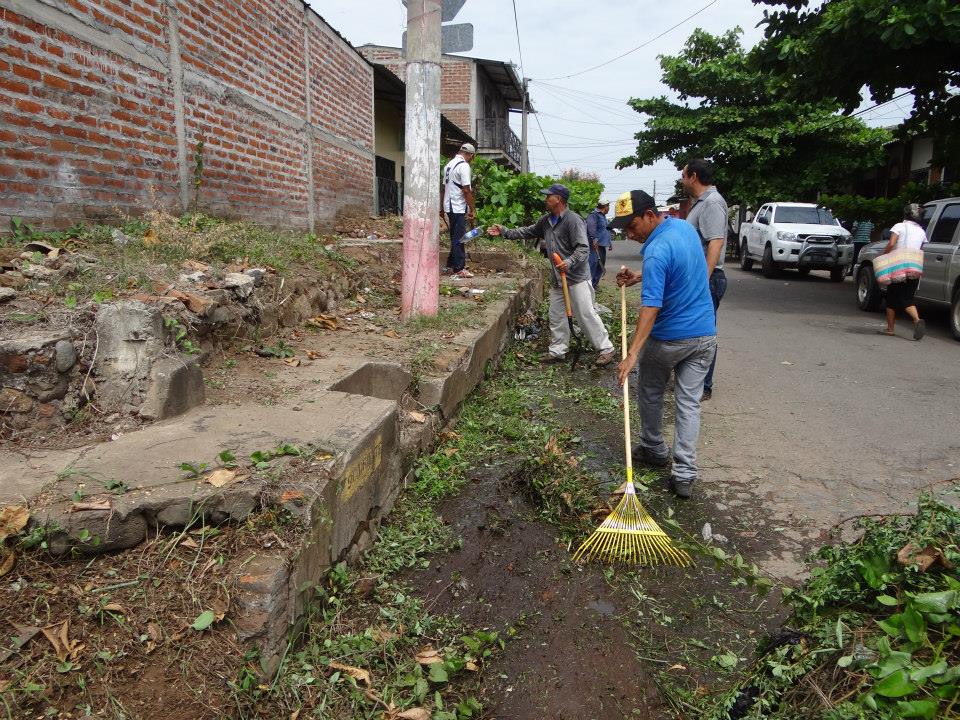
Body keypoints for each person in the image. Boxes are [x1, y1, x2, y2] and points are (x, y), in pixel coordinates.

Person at [612, 190, 717, 499]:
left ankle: (654, 448)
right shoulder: (683, 227)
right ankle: (684, 475)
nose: (629, 235)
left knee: (650, 389)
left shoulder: (655, 250)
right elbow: (680, 269)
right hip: (705, 336)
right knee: (688, 403)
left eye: (632, 226)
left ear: (649, 215)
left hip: (671, 338)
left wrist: (631, 354)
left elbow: (651, 308)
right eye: (624, 230)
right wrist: (639, 277)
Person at [488, 183, 616, 366]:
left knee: (585, 314)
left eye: (549, 196)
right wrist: (505, 231)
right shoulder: (546, 221)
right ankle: (558, 351)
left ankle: (606, 349)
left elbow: (583, 248)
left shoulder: (573, 220)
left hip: (576, 277)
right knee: (556, 315)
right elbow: (528, 231)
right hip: (558, 278)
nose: (545, 199)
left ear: (560, 200)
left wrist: (569, 262)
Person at [681, 159, 728, 402]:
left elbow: (715, 243)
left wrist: (703, 279)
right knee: (695, 329)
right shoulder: (699, 203)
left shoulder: (711, 202)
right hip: (699, 277)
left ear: (694, 176)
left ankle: (702, 386)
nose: (681, 178)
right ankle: (693, 383)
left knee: (703, 332)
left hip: (707, 279)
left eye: (684, 174)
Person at [881, 204, 926, 340]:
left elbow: (891, 243)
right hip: (915, 267)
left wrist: (884, 255)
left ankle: (893, 328)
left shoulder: (899, 226)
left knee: (892, 298)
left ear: (905, 214)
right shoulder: (922, 231)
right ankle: (914, 320)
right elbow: (921, 248)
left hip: (898, 266)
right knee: (907, 297)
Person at [440, 143, 476, 278]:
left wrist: (441, 208)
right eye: (472, 157)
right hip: (458, 206)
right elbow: (466, 190)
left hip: (449, 206)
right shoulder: (464, 166)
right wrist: (472, 209)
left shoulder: (448, 165)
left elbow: (444, 188)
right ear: (470, 155)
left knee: (455, 236)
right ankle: (459, 268)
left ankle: (450, 264)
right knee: (460, 238)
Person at [586, 201, 612, 289]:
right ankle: (590, 287)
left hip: (602, 245)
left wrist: (610, 243)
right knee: (593, 265)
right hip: (594, 245)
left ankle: (595, 285)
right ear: (605, 206)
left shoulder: (603, 216)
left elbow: (606, 230)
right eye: (608, 206)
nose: (609, 208)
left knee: (600, 266)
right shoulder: (594, 215)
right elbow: (591, 227)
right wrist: (594, 239)